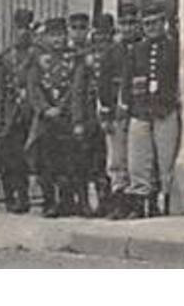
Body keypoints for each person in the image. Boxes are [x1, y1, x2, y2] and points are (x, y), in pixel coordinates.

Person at [123, 3, 180, 218]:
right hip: (140, 110)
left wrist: (172, 102)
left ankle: (164, 202)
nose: (151, 28)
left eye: (155, 23)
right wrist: (128, 107)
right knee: (138, 160)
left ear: (163, 23)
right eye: (147, 24)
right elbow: (128, 81)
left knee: (166, 160)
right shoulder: (137, 50)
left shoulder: (174, 48)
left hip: (165, 110)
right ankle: (139, 204)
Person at [26, 16, 79, 217]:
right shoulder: (38, 61)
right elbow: (33, 87)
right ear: (46, 38)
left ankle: (66, 201)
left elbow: (76, 87)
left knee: (67, 161)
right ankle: (49, 201)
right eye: (53, 35)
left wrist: (61, 107)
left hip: (66, 117)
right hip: (45, 119)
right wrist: (45, 108)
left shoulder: (75, 58)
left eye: (61, 35)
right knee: (44, 162)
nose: (57, 39)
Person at [0, 8, 38, 213]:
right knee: (10, 158)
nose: (23, 33)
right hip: (11, 114)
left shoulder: (38, 54)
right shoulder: (5, 57)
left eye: (26, 28)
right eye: (20, 29)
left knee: (33, 156)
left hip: (32, 112)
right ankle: (13, 197)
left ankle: (32, 196)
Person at [71, 12, 113, 216]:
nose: (102, 40)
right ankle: (84, 202)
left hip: (111, 115)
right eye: (99, 35)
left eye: (107, 36)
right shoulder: (85, 58)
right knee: (83, 160)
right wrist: (78, 120)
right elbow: (78, 91)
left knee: (106, 161)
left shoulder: (118, 53)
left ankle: (106, 201)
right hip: (89, 116)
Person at [104, 11, 141, 218]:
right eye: (124, 23)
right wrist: (106, 112)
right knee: (116, 158)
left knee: (136, 158)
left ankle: (136, 202)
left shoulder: (142, 48)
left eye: (131, 23)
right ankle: (118, 202)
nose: (128, 28)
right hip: (116, 112)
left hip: (137, 110)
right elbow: (103, 82)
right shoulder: (112, 51)